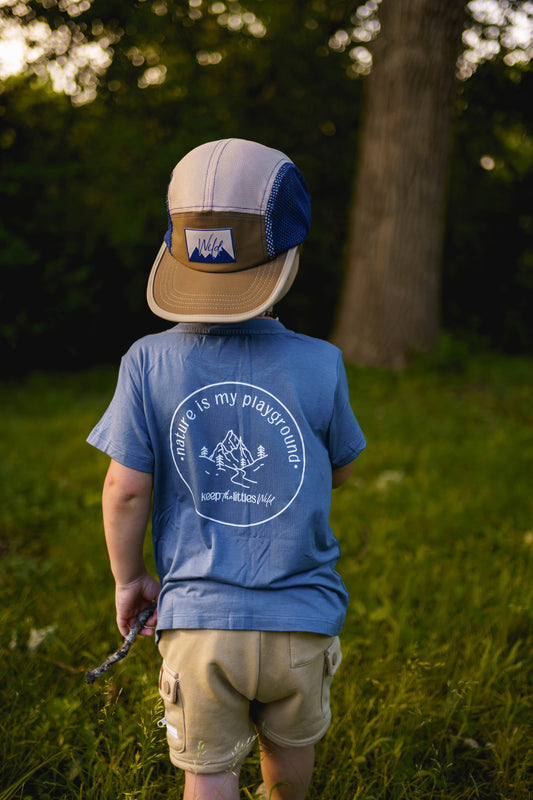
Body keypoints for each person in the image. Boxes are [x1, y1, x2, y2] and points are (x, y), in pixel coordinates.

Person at [87, 138, 366, 800]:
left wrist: (130, 580)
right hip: (302, 620)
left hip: (198, 626)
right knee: (289, 760)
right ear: (289, 259)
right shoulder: (322, 362)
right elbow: (340, 470)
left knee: (208, 776)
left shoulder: (146, 360)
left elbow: (125, 490)